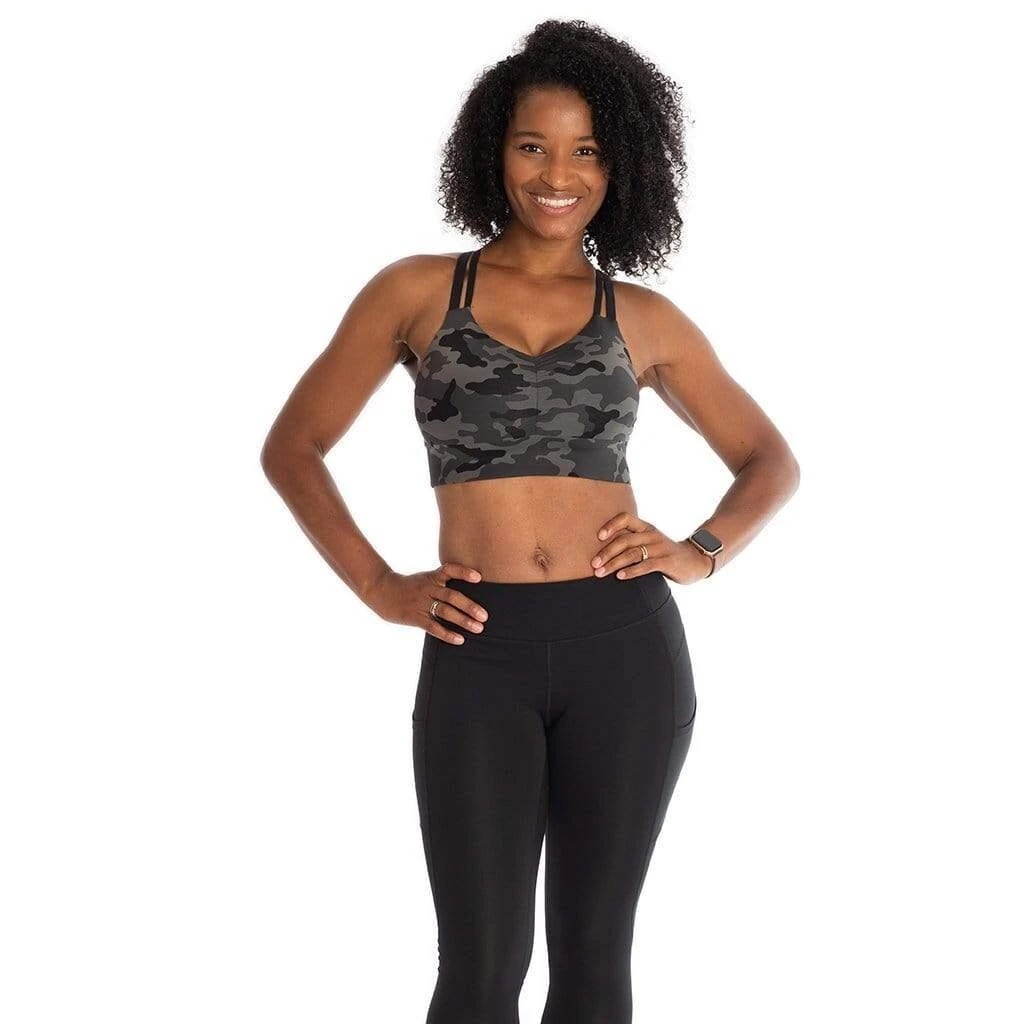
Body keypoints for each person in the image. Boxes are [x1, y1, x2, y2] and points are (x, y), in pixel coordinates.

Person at [261, 18, 799, 1024]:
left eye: (586, 150)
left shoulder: (643, 316)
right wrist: (378, 585)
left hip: (625, 647)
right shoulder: (417, 292)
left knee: (593, 964)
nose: (559, 175)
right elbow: (293, 447)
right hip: (479, 649)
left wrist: (699, 551)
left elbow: (769, 459)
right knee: (479, 969)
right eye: (532, 146)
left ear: (620, 165)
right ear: (492, 154)